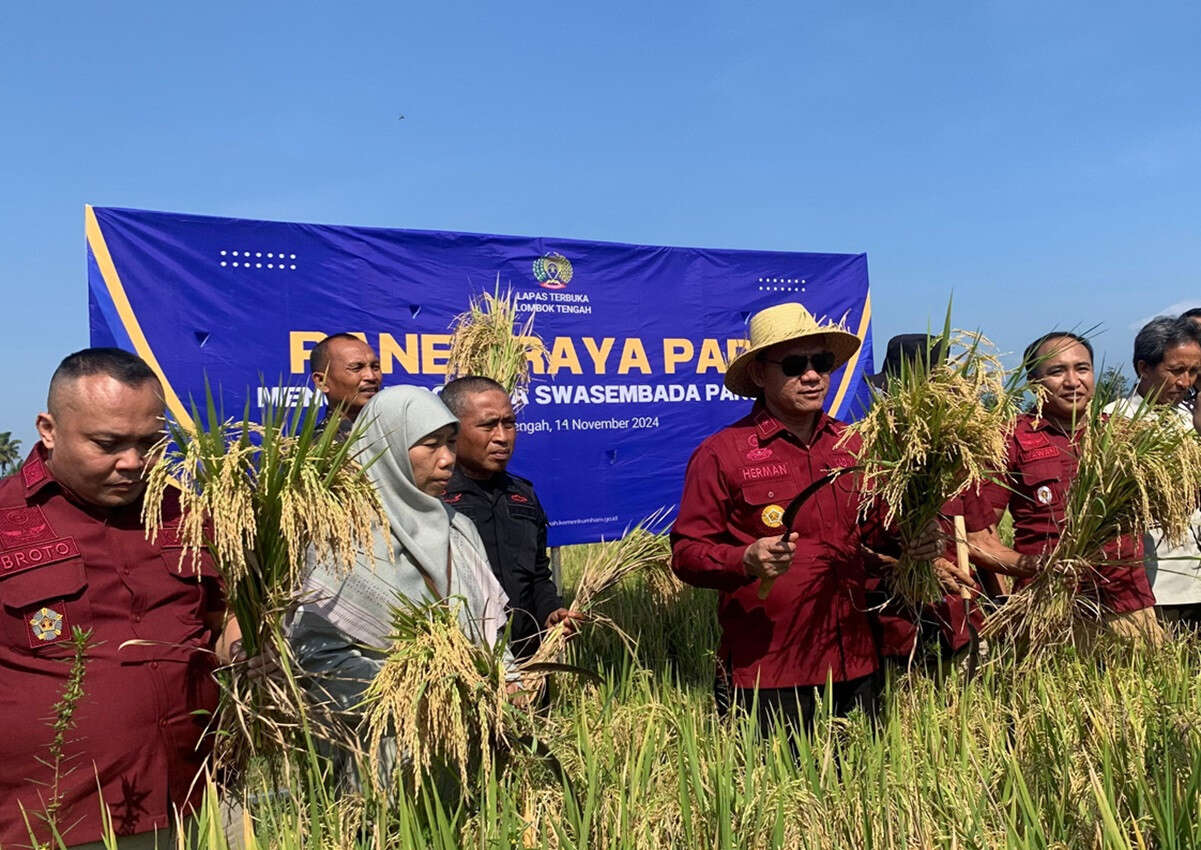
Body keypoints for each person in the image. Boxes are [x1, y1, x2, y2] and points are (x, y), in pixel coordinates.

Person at [671, 303, 939, 736]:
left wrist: (913, 539)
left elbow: (874, 535)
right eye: (795, 364)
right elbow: (687, 554)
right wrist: (745, 559)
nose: (812, 375)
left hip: (855, 660)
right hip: (771, 670)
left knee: (863, 791)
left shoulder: (854, 445)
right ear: (759, 374)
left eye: (822, 362)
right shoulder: (722, 453)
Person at [0, 348, 232, 849]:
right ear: (49, 428)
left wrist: (244, 653)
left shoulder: (186, 515)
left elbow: (221, 623)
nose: (133, 463)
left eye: (149, 443)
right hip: (53, 820)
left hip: (193, 801)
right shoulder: (5, 521)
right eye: (107, 444)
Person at [286, 386, 512, 784]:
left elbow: (491, 631)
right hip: (384, 762)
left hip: (474, 753)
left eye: (450, 443)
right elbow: (316, 657)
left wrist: (509, 680)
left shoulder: (459, 529)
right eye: (430, 445)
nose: (446, 460)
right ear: (386, 444)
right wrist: (420, 698)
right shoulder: (341, 542)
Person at [969, 332, 1159, 642]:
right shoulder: (1008, 440)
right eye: (1057, 372)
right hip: (1046, 607)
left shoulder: (1125, 435)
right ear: (1033, 382)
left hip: (1127, 606)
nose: (1073, 381)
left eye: (1082, 369)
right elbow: (979, 538)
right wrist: (1034, 570)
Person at [864, 334, 989, 663]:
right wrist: (909, 565)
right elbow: (846, 550)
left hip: (961, 620)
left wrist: (1000, 610)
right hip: (892, 629)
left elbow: (981, 539)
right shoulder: (862, 460)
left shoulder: (958, 461)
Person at [439, 376, 572, 660]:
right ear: (452, 429)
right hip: (463, 662)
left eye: (509, 423)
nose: (502, 437)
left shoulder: (522, 494)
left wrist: (551, 611)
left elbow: (537, 574)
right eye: (488, 425)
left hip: (528, 664)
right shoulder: (432, 498)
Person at [1103, 317, 1201, 627]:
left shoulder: (1192, 418)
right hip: (1156, 585)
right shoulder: (1115, 422)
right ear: (1144, 368)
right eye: (1175, 371)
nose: (1185, 382)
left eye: (1194, 372)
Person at [309, 333, 382, 428]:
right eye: (356, 368)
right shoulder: (316, 442)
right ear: (322, 381)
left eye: (375, 367)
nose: (371, 376)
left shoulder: (400, 434)